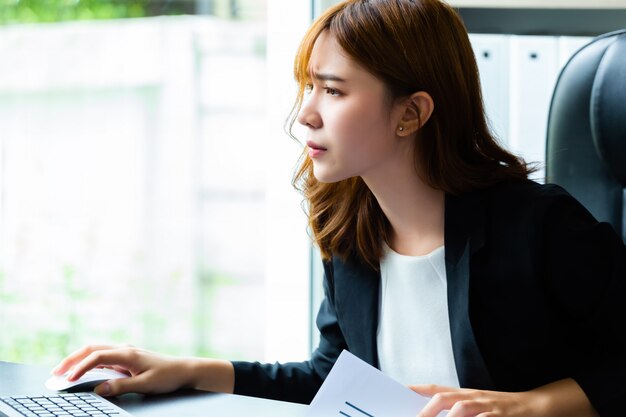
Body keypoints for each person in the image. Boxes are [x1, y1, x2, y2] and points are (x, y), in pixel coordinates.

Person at [51, 0, 626, 416]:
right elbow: (333, 380)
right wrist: (189, 371)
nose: (305, 114)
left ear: (411, 113)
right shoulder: (353, 232)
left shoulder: (540, 227)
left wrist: (532, 406)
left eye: (333, 89)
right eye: (309, 87)